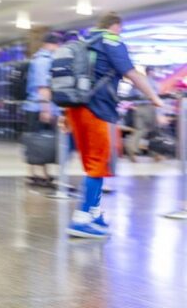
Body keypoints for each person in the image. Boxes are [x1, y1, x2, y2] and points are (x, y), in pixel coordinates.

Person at [65, 13, 162, 238]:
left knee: (93, 163)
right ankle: (81, 220)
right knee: (98, 164)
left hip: (76, 108)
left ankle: (94, 214)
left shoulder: (83, 42)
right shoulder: (111, 40)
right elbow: (131, 73)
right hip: (97, 108)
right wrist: (153, 96)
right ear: (115, 26)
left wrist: (64, 115)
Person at [22, 32, 63, 186]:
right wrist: (46, 109)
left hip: (39, 105)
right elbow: (42, 86)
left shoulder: (42, 59)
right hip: (38, 106)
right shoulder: (43, 61)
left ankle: (41, 172)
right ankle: (35, 173)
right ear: (52, 44)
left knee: (40, 141)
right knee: (36, 140)